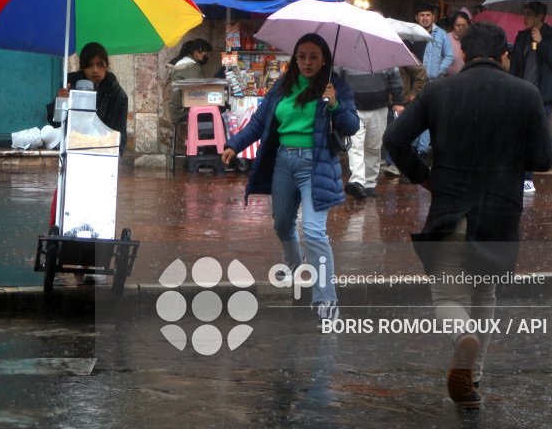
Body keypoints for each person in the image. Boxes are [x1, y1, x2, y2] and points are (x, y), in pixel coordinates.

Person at [383, 22, 552, 409]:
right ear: (503, 55)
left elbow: (394, 140)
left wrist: (424, 176)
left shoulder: (439, 91)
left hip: (450, 210)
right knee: (484, 292)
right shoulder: (525, 94)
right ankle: (473, 381)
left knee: (447, 296)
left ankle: (462, 340)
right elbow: (543, 159)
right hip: (498, 217)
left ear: (462, 53)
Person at [220, 33, 359, 321]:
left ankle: (325, 302)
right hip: (284, 162)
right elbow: (259, 122)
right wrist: (234, 145)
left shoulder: (337, 86)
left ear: (324, 60)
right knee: (282, 223)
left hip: (316, 165)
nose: (307, 62)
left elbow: (353, 126)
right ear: (295, 59)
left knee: (314, 231)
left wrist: (335, 104)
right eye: (302, 56)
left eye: (314, 57)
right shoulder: (282, 86)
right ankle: (296, 268)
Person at [508, 1, 552, 193]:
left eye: (528, 14)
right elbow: (516, 67)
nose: (524, 18)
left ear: (540, 17)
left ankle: (533, 177)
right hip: (525, 93)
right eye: (524, 13)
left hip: (545, 95)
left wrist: (541, 43)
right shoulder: (521, 37)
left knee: (537, 132)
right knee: (531, 133)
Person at [46, 41, 128, 156]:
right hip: (73, 150)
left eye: (100, 65)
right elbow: (56, 123)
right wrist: (60, 102)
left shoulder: (117, 94)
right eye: (90, 65)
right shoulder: (70, 84)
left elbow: (120, 137)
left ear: (106, 66)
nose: (95, 70)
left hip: (103, 153)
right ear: (82, 67)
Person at [335, 64, 403, 199]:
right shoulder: (345, 57)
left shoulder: (383, 55)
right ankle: (358, 181)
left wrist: (398, 101)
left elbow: (395, 78)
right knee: (355, 146)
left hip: (379, 107)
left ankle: (370, 183)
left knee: (374, 146)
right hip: (353, 108)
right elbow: (336, 80)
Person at [413, 2, 454, 157]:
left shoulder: (441, 34)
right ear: (416, 17)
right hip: (415, 83)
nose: (425, 18)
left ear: (433, 17)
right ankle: (413, 148)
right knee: (414, 116)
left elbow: (449, 55)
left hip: (432, 82)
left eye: (428, 15)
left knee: (428, 117)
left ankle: (422, 151)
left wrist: (438, 71)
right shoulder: (412, 34)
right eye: (422, 15)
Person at [165, 38, 213, 123]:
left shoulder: (184, 63)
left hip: (174, 111)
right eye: (206, 55)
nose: (207, 58)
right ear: (196, 53)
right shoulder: (191, 67)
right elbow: (200, 92)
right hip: (181, 113)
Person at [446, 11, 471, 76]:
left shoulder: (473, 39)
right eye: (458, 25)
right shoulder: (446, 39)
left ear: (468, 25)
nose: (461, 28)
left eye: (464, 25)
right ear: (453, 25)